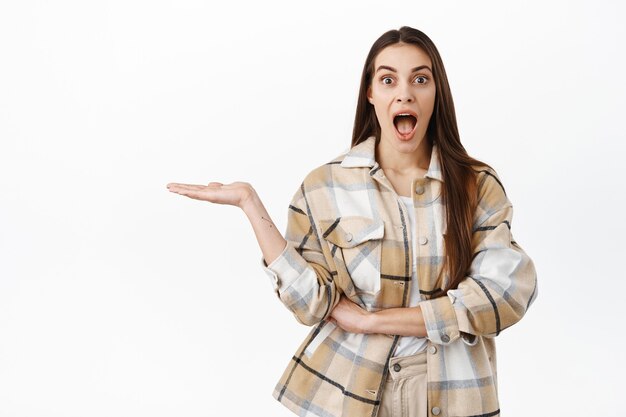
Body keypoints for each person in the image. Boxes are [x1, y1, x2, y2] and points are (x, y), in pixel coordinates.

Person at [167, 26, 538, 417]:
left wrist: (370, 321)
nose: (405, 93)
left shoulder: (475, 185)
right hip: (355, 390)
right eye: (388, 79)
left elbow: (506, 293)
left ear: (436, 93)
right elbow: (311, 304)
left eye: (420, 79)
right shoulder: (325, 186)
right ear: (371, 93)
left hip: (453, 390)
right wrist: (249, 202)